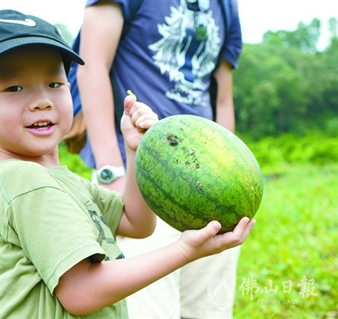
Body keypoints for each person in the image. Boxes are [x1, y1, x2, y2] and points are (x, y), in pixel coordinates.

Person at [0, 9, 254, 319]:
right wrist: (184, 250)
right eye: (14, 88)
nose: (42, 100)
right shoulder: (25, 181)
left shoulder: (60, 180)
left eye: (54, 84)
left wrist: (135, 151)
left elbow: (137, 223)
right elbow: (81, 292)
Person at [70, 0, 244, 318]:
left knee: (209, 311)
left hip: (205, 186)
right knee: (146, 310)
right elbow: (90, 65)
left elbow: (222, 98)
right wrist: (113, 173)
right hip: (140, 182)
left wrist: (226, 175)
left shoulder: (226, 6)